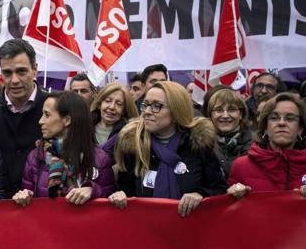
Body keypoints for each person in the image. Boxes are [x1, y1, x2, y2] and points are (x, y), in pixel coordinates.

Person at [109, 81, 226, 216]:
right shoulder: (133, 147)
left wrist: (201, 194)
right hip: (147, 231)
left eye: (156, 106)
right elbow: (125, 190)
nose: (147, 112)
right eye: (146, 105)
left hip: (192, 231)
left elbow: (219, 189)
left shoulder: (200, 145)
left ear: (177, 111)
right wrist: (120, 195)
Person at [13, 92, 114, 206]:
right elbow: (27, 203)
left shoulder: (100, 159)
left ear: (67, 120)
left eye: (47, 115)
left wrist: (93, 191)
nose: (40, 121)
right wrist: (24, 197)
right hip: (45, 222)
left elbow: (109, 206)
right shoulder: (35, 156)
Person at [0, 38, 48, 193]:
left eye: (21, 71)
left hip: (43, 207)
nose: (14, 80)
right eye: (7, 73)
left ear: (35, 69)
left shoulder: (56, 108)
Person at [227, 93, 306, 198]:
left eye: (290, 118)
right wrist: (232, 195)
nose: (281, 123)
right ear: (265, 127)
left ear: (300, 128)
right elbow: (229, 211)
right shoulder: (241, 166)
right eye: (274, 118)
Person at [207, 89, 253, 178]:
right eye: (219, 110)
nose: (225, 115)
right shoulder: (202, 144)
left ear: (241, 115)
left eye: (231, 110)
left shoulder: (257, 143)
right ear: (211, 115)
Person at [90, 83, 138, 152]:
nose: (112, 107)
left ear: (124, 110)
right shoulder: (84, 127)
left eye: (119, 104)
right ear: (100, 104)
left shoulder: (130, 135)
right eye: (108, 101)